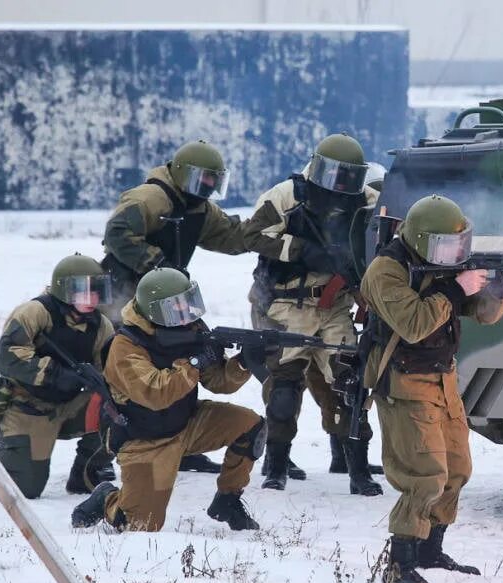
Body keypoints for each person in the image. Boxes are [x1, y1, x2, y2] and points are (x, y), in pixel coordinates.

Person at [360, 195, 503, 583]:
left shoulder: (440, 264)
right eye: (446, 247)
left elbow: (483, 315)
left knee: (456, 470)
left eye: (458, 246)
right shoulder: (385, 271)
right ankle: (399, 565)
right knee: (425, 476)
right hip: (404, 381)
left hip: (442, 378)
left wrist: (500, 289)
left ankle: (429, 551)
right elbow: (415, 323)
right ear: (421, 240)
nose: (454, 255)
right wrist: (456, 290)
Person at [71, 268, 266, 532]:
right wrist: (195, 362)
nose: (186, 313)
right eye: (177, 308)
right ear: (156, 312)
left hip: (186, 422)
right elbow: (156, 393)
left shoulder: (189, 328)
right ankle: (106, 498)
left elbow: (218, 382)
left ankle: (227, 501)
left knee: (250, 426)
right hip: (144, 439)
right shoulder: (125, 346)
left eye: (189, 303)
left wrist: (244, 363)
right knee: (140, 525)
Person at [242, 134, 382, 495]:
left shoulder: (366, 200)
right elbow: (253, 235)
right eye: (335, 174)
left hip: (334, 305)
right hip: (287, 303)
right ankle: (275, 465)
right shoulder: (287, 195)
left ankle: (358, 469)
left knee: (351, 382)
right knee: (284, 388)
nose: (340, 184)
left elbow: (386, 233)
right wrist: (303, 251)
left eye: (348, 176)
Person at [101, 138, 245, 474]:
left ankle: (182, 444)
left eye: (213, 181)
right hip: (123, 299)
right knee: (111, 373)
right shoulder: (151, 198)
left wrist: (265, 233)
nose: (207, 187)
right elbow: (118, 233)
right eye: (202, 180)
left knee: (180, 360)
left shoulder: (199, 209)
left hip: (167, 302)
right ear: (182, 174)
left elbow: (230, 235)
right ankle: (96, 456)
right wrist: (158, 263)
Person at [0, 254, 116, 499]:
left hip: (68, 403)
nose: (92, 299)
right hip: (25, 406)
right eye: (84, 292)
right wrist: (54, 374)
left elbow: (106, 369)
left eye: (96, 292)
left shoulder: (101, 326)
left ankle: (87, 473)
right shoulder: (34, 312)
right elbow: (7, 357)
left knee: (115, 408)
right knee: (26, 488)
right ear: (64, 289)